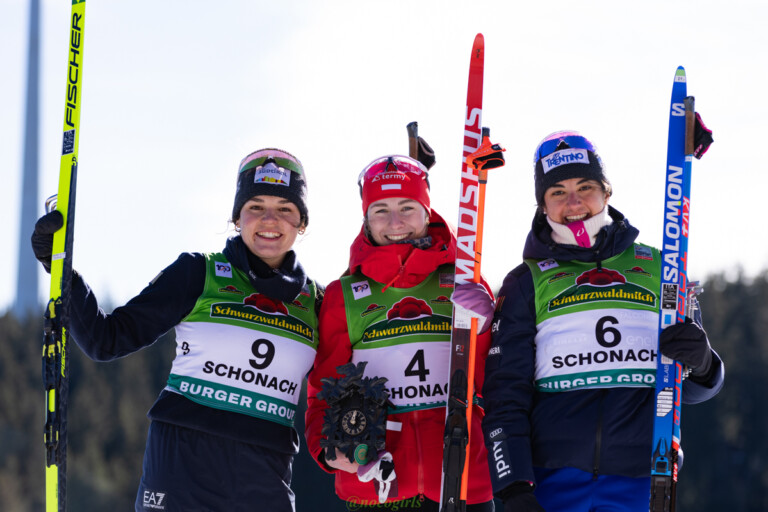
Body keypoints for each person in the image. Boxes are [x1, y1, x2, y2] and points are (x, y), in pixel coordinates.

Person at [32, 148, 322, 512]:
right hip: (181, 471)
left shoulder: (316, 303)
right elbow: (106, 340)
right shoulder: (197, 273)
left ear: (301, 222)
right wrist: (62, 272)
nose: (269, 219)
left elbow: (347, 382)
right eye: (255, 206)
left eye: (284, 208)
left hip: (264, 478)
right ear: (236, 218)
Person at [481, 131, 725, 512]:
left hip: (642, 476)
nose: (574, 202)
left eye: (586, 187)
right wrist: (512, 487)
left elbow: (690, 391)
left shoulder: (661, 267)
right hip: (551, 480)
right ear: (542, 204)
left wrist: (703, 363)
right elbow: (504, 396)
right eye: (557, 192)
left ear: (607, 192)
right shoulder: (526, 281)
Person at [305, 155, 496, 511]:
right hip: (377, 483)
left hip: (462, 477)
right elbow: (321, 394)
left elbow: (494, 379)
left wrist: (485, 329)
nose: (395, 222)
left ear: (427, 212)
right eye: (380, 210)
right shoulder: (342, 295)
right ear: (365, 218)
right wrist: (332, 451)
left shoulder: (464, 280)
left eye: (407, 207)